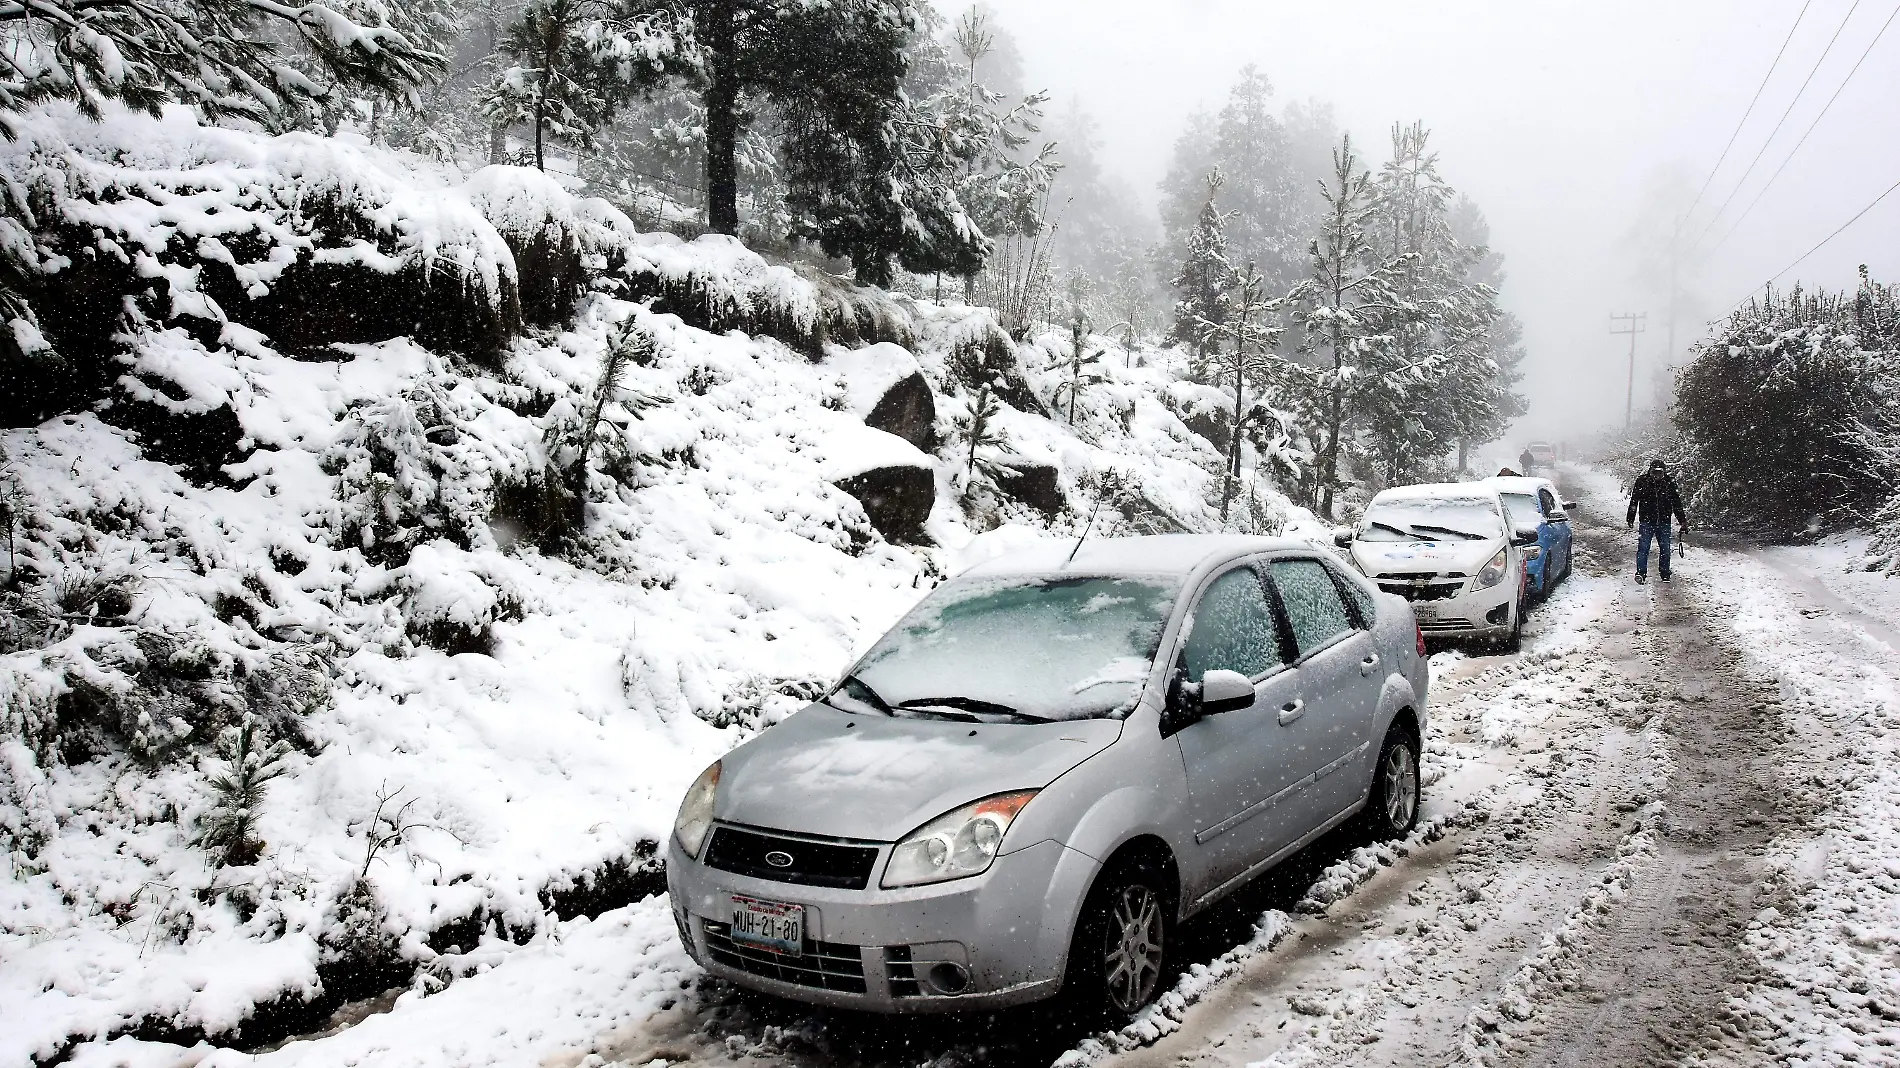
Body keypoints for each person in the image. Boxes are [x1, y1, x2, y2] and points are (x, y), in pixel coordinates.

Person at [1626, 459, 1689, 584]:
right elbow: (1634, 500)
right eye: (1655, 472)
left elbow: (1676, 503)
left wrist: (1682, 521)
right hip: (1646, 521)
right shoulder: (1642, 481)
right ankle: (1641, 573)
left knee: (1665, 548)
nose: (1657, 475)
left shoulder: (1669, 483)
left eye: (1660, 472)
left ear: (1664, 472)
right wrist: (1631, 517)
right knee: (1643, 548)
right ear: (1650, 471)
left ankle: (1665, 573)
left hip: (1664, 522)